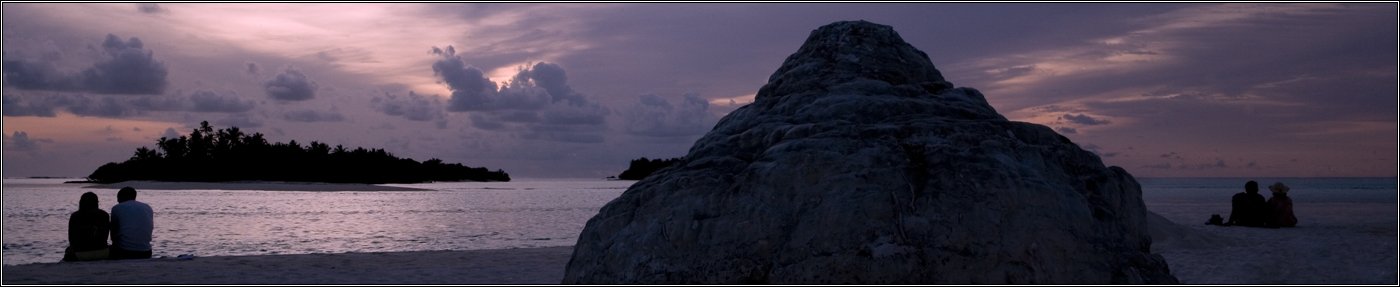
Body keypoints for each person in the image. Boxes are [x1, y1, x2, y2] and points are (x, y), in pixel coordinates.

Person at [63, 192, 110, 261]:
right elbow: (105, 236)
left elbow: (71, 238)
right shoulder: (104, 215)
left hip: (80, 254)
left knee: (68, 250)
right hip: (103, 253)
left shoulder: (75, 216)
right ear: (96, 202)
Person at [110, 187, 154, 259]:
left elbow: (114, 233)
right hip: (146, 252)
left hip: (125, 252)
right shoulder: (147, 207)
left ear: (120, 197)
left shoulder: (117, 208)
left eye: (117, 198)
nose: (117, 200)